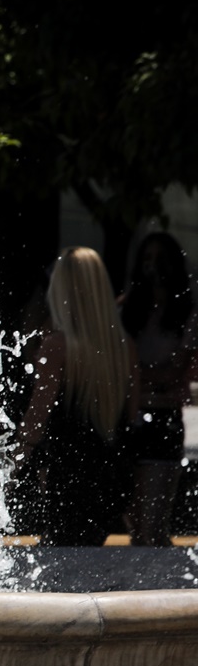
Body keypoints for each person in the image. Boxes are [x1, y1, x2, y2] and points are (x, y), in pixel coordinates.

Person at [14, 246, 137, 546]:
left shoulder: (57, 346)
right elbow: (131, 418)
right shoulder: (123, 347)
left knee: (59, 567)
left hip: (68, 479)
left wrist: (13, 462)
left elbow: (36, 418)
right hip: (111, 480)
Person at [118, 232, 197, 545]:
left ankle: (162, 588)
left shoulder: (186, 315)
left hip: (166, 418)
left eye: (160, 260)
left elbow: (178, 370)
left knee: (153, 524)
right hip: (129, 418)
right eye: (147, 260)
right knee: (134, 524)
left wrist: (139, 376)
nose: (152, 268)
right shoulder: (128, 310)